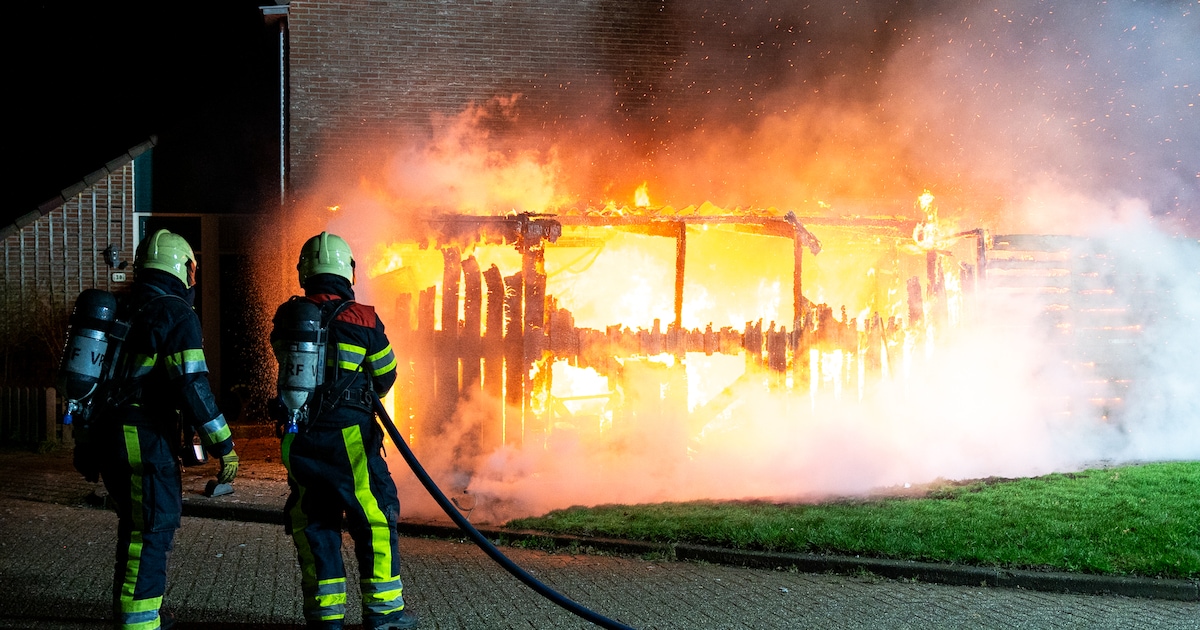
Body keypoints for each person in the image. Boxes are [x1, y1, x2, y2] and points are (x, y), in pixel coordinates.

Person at [72, 228, 239, 629]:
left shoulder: (125, 306)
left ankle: (137, 613)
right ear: (181, 267)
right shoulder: (176, 313)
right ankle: (139, 622)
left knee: (136, 527)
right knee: (149, 531)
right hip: (141, 438)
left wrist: (85, 443)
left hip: (107, 432)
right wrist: (224, 443)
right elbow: (191, 384)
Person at [270, 231, 416, 630]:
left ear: (305, 271)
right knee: (374, 517)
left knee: (314, 521)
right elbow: (386, 376)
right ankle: (384, 614)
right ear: (349, 271)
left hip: (299, 436)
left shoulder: (288, 317)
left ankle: (325, 618)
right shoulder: (364, 318)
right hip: (348, 439)